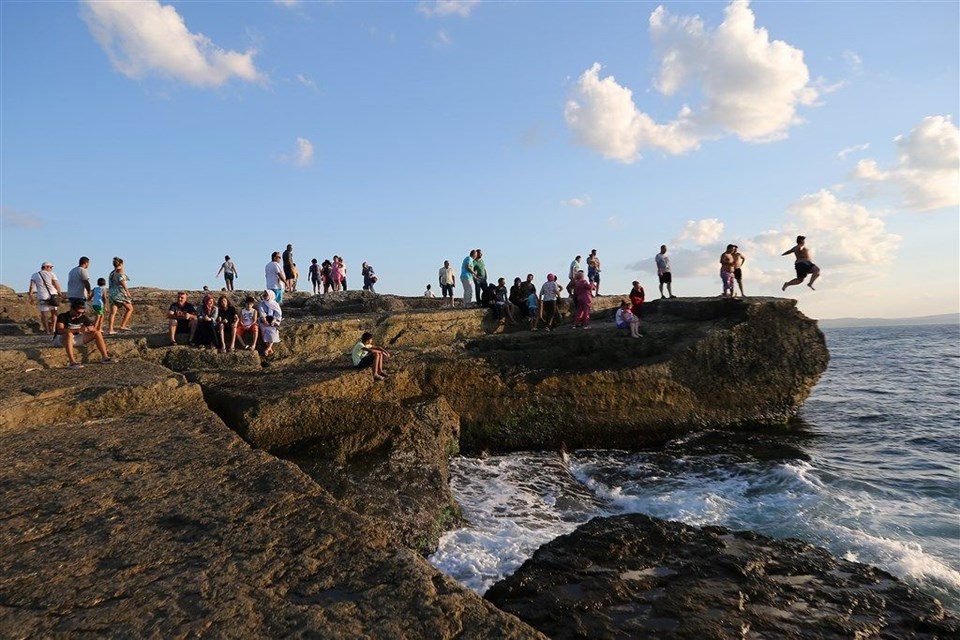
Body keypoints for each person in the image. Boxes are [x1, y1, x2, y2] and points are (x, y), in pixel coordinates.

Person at [53, 299, 116, 368]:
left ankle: (105, 357)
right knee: (69, 334)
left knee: (97, 333)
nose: (80, 314)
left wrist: (90, 329)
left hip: (75, 339)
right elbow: (60, 330)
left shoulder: (83, 317)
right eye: (78, 312)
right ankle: (72, 362)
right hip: (60, 340)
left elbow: (93, 328)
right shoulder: (63, 316)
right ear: (72, 309)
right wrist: (78, 330)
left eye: (82, 313)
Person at [27, 261, 62, 334]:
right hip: (52, 294)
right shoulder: (52, 274)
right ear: (46, 267)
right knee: (54, 312)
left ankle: (47, 330)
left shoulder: (35, 275)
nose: (51, 269)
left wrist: (30, 295)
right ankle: (53, 329)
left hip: (42, 295)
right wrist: (59, 292)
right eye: (50, 267)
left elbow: (32, 286)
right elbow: (56, 284)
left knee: (44, 314)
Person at [108, 256, 134, 333]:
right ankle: (123, 325)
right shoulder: (120, 271)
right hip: (120, 293)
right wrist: (127, 291)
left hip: (112, 293)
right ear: (121, 263)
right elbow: (122, 281)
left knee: (113, 313)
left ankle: (110, 329)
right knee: (130, 309)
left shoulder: (112, 273)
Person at [257, 290, 282, 357]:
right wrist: (265, 320)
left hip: (273, 320)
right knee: (264, 330)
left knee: (273, 330)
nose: (264, 296)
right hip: (264, 320)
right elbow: (262, 313)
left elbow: (278, 314)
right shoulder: (261, 304)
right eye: (264, 295)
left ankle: (268, 349)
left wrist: (274, 320)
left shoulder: (275, 304)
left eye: (266, 295)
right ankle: (269, 349)